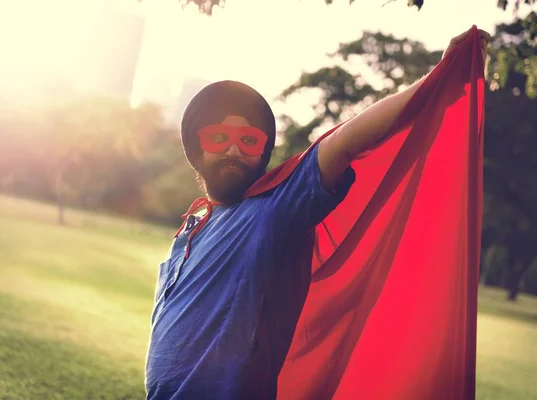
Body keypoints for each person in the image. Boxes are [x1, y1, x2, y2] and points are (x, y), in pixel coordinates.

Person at [145, 26, 490, 400]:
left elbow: (342, 143)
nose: (233, 151)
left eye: (248, 140)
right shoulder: (191, 227)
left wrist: (438, 82)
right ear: (196, 149)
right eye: (218, 138)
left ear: (262, 152)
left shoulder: (271, 210)